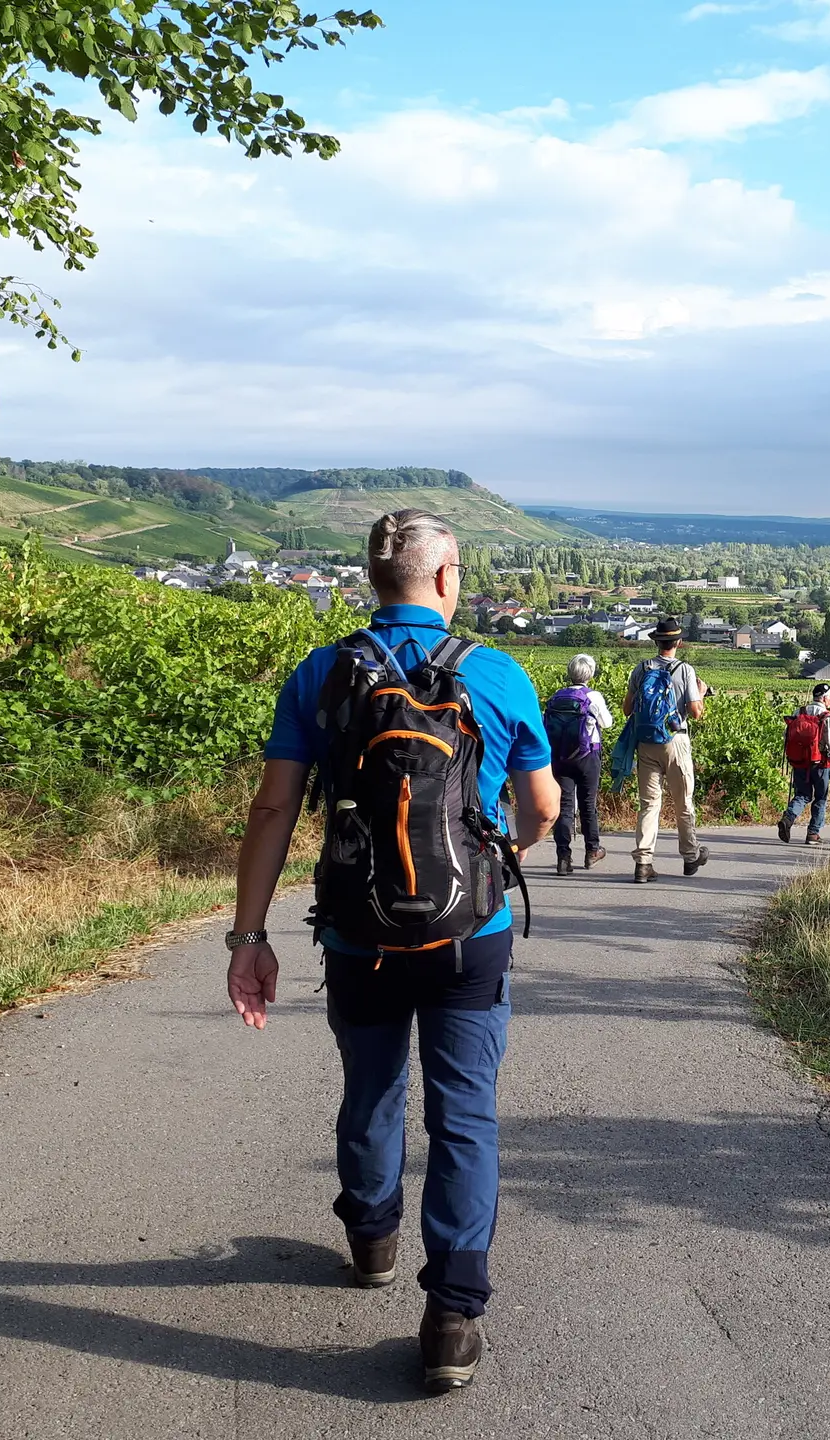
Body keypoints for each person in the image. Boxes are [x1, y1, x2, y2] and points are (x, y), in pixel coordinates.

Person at [225, 509, 557, 1395]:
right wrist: (504, 855)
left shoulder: (322, 671)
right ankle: (452, 1316)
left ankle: (372, 1239)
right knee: (465, 1114)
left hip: (356, 930)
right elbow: (544, 808)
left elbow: (273, 808)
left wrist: (249, 936)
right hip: (469, 935)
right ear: (446, 577)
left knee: (371, 1088)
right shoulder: (497, 672)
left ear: (374, 579)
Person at [625, 616, 708, 883]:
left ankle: (643, 862)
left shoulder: (641, 669)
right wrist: (701, 694)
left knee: (649, 804)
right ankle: (690, 855)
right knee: (683, 802)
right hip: (675, 740)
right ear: (678, 643)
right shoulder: (685, 670)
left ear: (656, 642)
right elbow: (695, 712)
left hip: (646, 742)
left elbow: (627, 709)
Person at [544, 653, 613, 875]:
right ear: (590, 674)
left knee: (564, 806)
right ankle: (592, 850)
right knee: (588, 804)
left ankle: (563, 857)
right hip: (587, 756)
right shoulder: (593, 697)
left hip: (560, 757)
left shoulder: (556, 696)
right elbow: (607, 723)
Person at [777, 682, 830, 845]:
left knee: (802, 795)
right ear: (824, 698)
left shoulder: (799, 712)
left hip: (800, 762)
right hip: (821, 763)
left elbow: (787, 735)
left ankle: (788, 818)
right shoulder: (828, 717)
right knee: (821, 797)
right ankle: (813, 834)